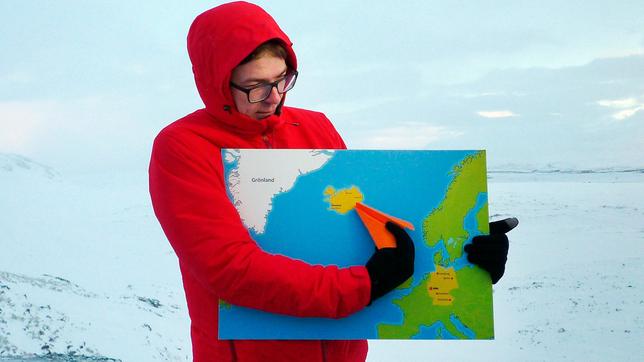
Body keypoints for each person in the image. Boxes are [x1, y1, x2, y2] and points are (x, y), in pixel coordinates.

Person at [149, 2, 516, 361]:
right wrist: (363, 286)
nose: (274, 98)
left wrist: (465, 253)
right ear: (216, 82)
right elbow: (230, 268)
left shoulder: (315, 126)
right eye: (255, 87)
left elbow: (361, 223)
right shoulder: (183, 147)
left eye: (282, 80)